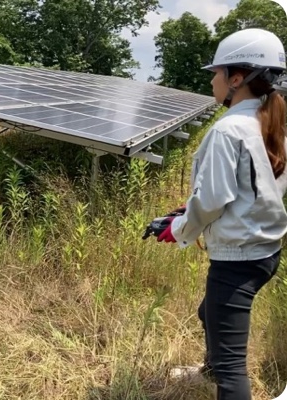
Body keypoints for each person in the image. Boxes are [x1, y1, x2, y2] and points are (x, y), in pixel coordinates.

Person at [154, 28, 287, 400]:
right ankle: (209, 367)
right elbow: (255, 189)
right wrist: (188, 212)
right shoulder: (269, 124)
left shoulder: (227, 130)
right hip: (265, 251)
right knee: (208, 311)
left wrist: (181, 227)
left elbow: (212, 202)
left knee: (233, 371)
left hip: (238, 258)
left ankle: (218, 369)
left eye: (216, 72)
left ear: (237, 78)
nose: (212, 80)